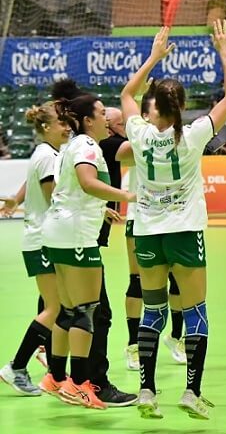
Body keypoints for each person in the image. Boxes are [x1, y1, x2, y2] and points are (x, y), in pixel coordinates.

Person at [120, 21, 226, 420]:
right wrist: (224, 50)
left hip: (149, 234)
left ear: (155, 106)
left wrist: (154, 56)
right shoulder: (193, 135)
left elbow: (126, 94)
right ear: (182, 107)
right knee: (195, 311)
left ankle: (146, 390)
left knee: (152, 310)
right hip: (185, 231)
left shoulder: (138, 133)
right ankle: (191, 390)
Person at [39, 88, 135, 409]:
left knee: (68, 310)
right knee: (86, 310)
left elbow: (70, 190)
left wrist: (99, 209)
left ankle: (55, 377)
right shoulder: (88, 146)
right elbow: (87, 182)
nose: (106, 119)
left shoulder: (71, 145)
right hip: (76, 236)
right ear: (86, 120)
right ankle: (80, 384)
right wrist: (129, 197)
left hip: (59, 231)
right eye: (100, 113)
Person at [0, 103, 68, 396]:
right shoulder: (49, 158)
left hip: (39, 238)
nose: (67, 127)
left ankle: (54, 369)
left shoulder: (45, 154)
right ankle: (16, 366)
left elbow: (32, 186)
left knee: (55, 304)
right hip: (43, 239)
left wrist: (14, 200)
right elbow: (56, 198)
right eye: (61, 123)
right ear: (45, 127)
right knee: (54, 307)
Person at [120, 88, 188, 372]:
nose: (157, 113)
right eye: (151, 110)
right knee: (138, 282)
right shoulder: (141, 137)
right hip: (141, 217)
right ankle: (134, 344)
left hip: (175, 216)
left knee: (179, 281)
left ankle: (176, 337)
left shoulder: (180, 136)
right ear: (144, 114)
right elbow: (122, 154)